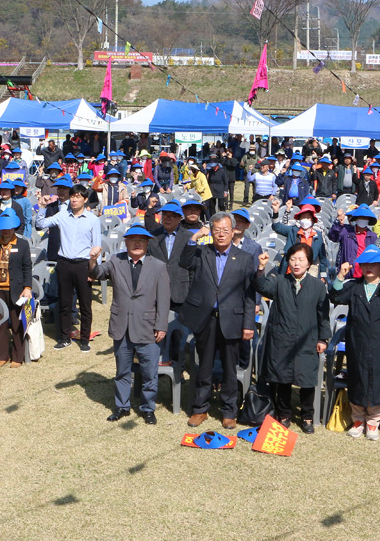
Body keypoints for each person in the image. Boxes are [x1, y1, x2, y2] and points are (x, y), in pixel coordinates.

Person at [178, 212, 259, 430]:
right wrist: (194, 238)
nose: (221, 234)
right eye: (216, 230)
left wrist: (248, 324)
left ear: (234, 231)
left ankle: (229, 411)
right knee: (203, 366)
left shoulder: (243, 258)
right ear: (211, 231)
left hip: (232, 320)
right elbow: (184, 262)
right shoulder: (202, 252)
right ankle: (199, 409)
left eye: (225, 230)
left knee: (230, 369)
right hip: (206, 319)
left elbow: (249, 295)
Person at [89, 225, 171, 425]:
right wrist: (92, 259)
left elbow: (164, 299)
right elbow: (98, 273)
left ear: (147, 243)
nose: (136, 243)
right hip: (122, 326)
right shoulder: (116, 260)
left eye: (141, 240)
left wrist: (161, 326)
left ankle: (148, 408)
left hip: (148, 327)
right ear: (125, 243)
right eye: (132, 240)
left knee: (149, 373)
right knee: (122, 371)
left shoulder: (158, 266)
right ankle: (121, 406)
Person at [254, 243, 331, 434]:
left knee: (306, 379)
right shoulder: (280, 281)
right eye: (293, 259)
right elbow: (261, 286)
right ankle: (284, 414)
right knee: (283, 378)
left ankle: (307, 416)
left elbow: (323, 316)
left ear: (309, 262)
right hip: (282, 338)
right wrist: (261, 268)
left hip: (307, 339)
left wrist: (323, 339)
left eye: (301, 259)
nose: (296, 263)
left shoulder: (317, 287)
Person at [332, 247, 380, 441]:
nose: (369, 267)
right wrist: (340, 276)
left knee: (377, 381)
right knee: (357, 379)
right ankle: (357, 420)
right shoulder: (354, 286)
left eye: (374, 264)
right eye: (365, 264)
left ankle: (373, 422)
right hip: (357, 342)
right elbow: (335, 296)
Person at [35, 184, 102, 351]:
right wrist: (42, 207)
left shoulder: (93, 220)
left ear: (85, 200)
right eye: (72, 196)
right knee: (64, 302)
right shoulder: (62, 216)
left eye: (78, 196)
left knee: (85, 304)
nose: (74, 199)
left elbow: (97, 247)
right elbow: (40, 224)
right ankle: (64, 337)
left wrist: (94, 271)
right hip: (64, 263)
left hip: (83, 264)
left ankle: (84, 339)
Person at [0, 209, 32, 369]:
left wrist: (27, 287)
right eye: (3, 228)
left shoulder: (23, 244)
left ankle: (17, 356)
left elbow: (27, 267)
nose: (6, 231)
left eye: (9, 227)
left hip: (17, 289)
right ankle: (2, 355)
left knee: (17, 323)